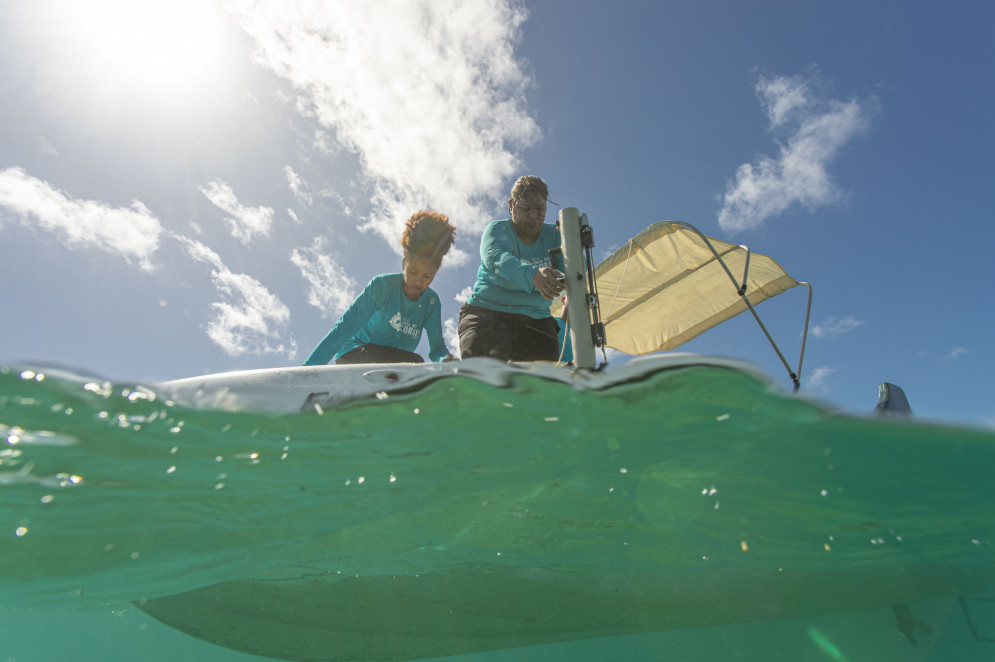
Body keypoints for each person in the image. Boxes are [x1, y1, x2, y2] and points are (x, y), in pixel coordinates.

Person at [304, 210, 456, 365]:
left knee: (412, 367)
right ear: (404, 263)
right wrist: (307, 369)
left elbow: (437, 348)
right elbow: (344, 328)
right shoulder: (382, 286)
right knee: (414, 362)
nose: (418, 281)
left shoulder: (431, 303)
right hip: (354, 353)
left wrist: (446, 359)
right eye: (413, 271)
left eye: (427, 276)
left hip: (393, 367)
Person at [458, 175, 565, 361]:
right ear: (511, 205)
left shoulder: (555, 236)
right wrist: (534, 276)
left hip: (537, 320)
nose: (533, 215)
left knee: (541, 383)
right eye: (525, 208)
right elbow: (496, 258)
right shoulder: (497, 229)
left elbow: (575, 272)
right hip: (486, 313)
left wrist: (573, 248)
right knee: (480, 374)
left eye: (540, 209)